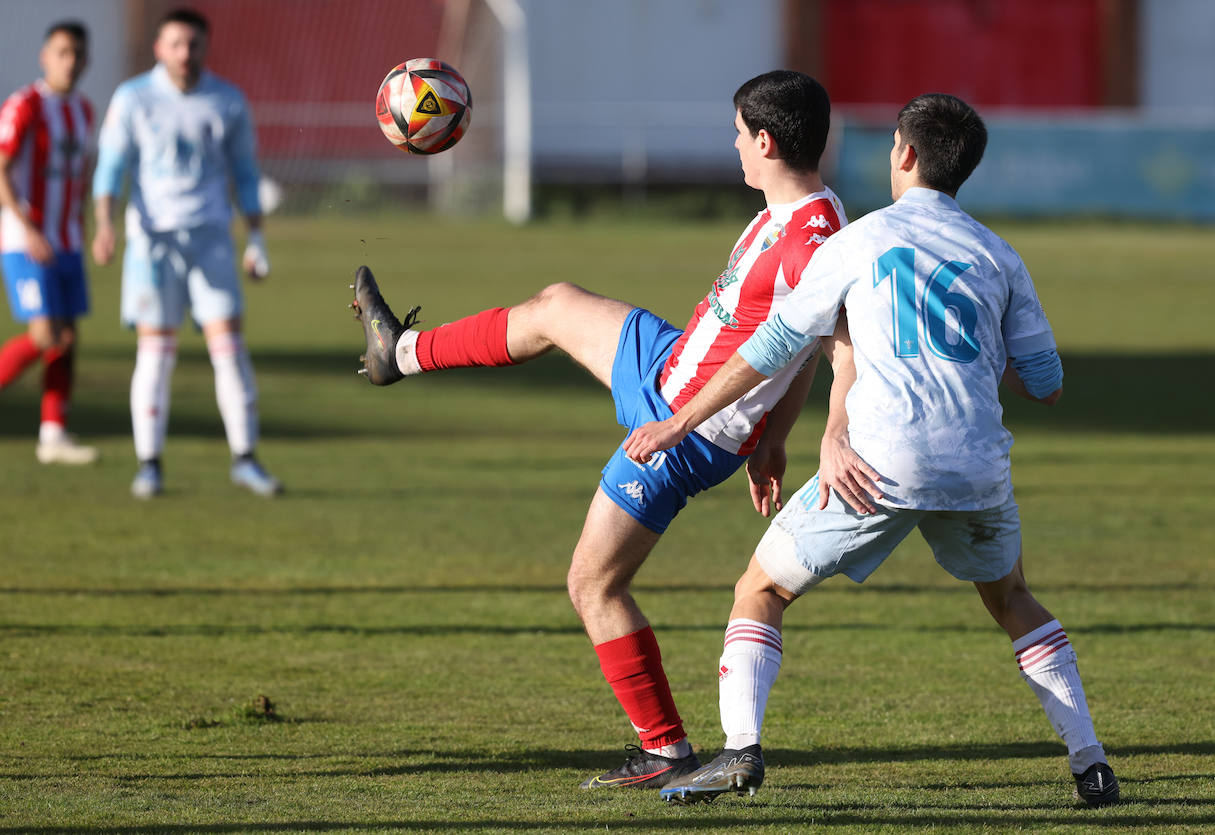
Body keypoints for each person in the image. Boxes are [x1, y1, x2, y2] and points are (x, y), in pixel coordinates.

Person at [351, 70, 846, 790]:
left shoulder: (811, 242)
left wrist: (698, 426)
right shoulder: (799, 210)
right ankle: (398, 353)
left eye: (740, 133)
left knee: (593, 583)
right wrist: (774, 438)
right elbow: (796, 344)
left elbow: (815, 345)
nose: (733, 144)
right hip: (673, 363)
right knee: (555, 304)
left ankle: (665, 749)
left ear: (766, 141)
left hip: (686, 427)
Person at [624, 93, 1120, 808]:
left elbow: (772, 345)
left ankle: (740, 753)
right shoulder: (999, 254)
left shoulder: (856, 243)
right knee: (1012, 597)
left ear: (906, 155)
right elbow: (1047, 383)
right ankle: (1091, 762)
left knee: (759, 590)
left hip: (876, 464)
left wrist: (680, 422)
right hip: (978, 467)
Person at [91, 7, 281, 499]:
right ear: (159, 48)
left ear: (205, 47)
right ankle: (149, 465)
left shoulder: (227, 100)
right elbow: (111, 167)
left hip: (213, 241)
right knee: (155, 356)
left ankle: (246, 459)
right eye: (175, 44)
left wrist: (256, 239)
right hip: (154, 246)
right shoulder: (133, 98)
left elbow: (245, 174)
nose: (184, 53)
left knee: (230, 352)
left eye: (193, 44)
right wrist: (105, 226)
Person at [0, 21, 101, 465]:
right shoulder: (25, 104)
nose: (70, 61)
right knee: (45, 333)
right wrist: (28, 227)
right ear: (45, 56)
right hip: (26, 240)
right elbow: (1, 168)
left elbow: (80, 172)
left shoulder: (83, 110)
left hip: (68, 239)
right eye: (62, 52)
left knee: (67, 337)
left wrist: (85, 222)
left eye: (77, 53)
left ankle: (53, 434)